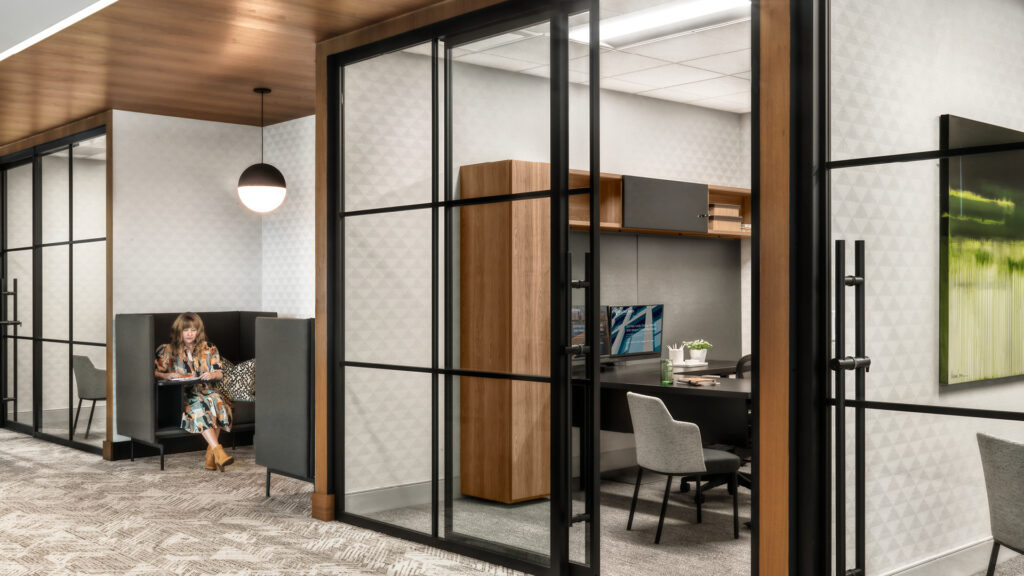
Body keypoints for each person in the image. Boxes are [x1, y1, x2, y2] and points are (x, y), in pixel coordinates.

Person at [154, 312, 234, 471]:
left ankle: (213, 454)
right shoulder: (168, 349)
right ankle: (217, 452)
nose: (189, 334)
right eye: (185, 330)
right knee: (201, 406)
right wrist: (167, 374)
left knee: (217, 401)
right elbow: (155, 371)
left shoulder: (209, 348)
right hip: (184, 395)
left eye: (193, 330)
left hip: (207, 390)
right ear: (179, 331)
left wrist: (212, 374)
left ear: (198, 331)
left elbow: (219, 372)